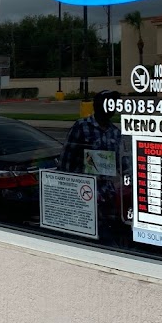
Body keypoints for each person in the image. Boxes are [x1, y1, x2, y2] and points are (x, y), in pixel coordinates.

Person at [58, 89, 130, 235]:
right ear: (98, 106)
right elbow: (66, 161)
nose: (112, 108)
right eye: (109, 104)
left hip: (108, 196)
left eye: (114, 104)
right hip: (84, 194)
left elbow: (124, 164)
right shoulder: (82, 127)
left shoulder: (115, 132)